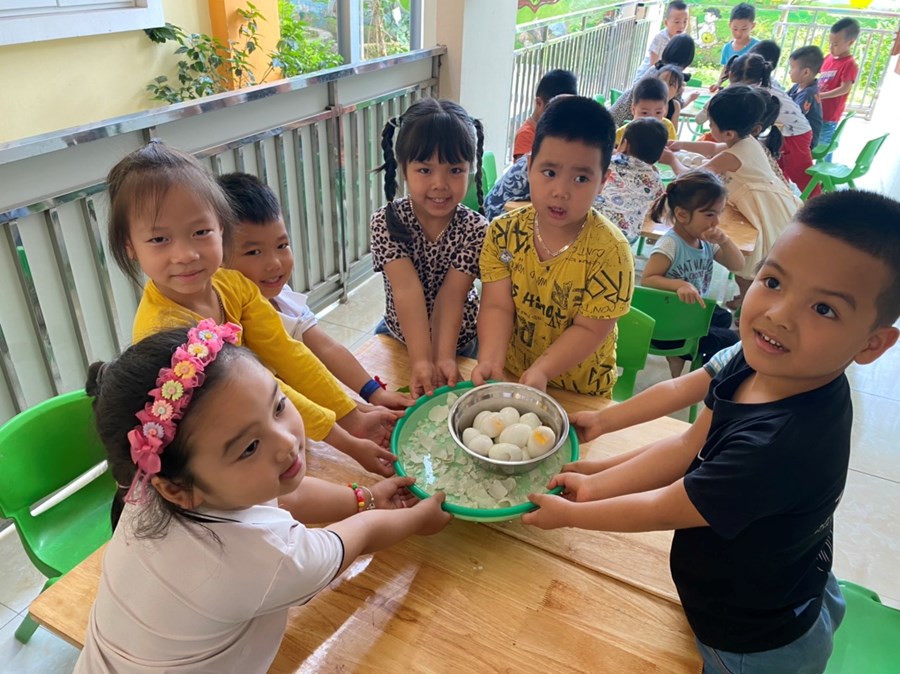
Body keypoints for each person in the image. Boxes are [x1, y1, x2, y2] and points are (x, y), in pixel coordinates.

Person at [523, 189, 900, 674]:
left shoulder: (778, 449)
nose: (779, 314)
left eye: (824, 309)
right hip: (788, 575)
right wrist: (595, 479)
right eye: (773, 281)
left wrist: (574, 515)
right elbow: (689, 445)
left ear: (872, 344)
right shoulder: (762, 360)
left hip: (752, 640)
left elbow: (663, 507)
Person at [73, 322, 451, 673]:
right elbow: (358, 536)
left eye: (278, 406)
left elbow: (285, 496)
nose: (286, 442)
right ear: (177, 489)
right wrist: (418, 518)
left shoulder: (152, 487)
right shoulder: (261, 559)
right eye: (250, 447)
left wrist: (367, 497)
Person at [105, 141, 398, 477]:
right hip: (210, 470)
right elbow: (261, 392)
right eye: (160, 239)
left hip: (254, 430)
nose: (186, 254)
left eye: (200, 232)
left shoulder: (231, 284)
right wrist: (349, 442)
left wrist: (351, 416)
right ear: (130, 245)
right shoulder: (167, 333)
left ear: (221, 227)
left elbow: (287, 354)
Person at [472, 96, 634, 397]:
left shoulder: (611, 252)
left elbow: (590, 329)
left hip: (581, 392)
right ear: (529, 166)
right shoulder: (503, 232)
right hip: (513, 376)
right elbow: (497, 305)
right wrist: (490, 360)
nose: (561, 191)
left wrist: (543, 370)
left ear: (603, 181)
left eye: (581, 178)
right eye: (549, 173)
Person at [218, 172, 413, 411]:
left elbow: (326, 348)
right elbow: (284, 398)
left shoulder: (283, 298)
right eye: (254, 252)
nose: (275, 263)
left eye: (282, 245)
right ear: (216, 257)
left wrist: (375, 395)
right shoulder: (231, 329)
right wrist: (360, 412)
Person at [371, 98, 488, 398]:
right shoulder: (387, 222)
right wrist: (421, 360)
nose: (440, 184)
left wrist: (444, 357)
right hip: (400, 337)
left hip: (460, 342)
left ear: (470, 169)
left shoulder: (476, 228)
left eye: (455, 170)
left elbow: (453, 295)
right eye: (425, 170)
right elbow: (407, 290)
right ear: (403, 169)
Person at [667, 86, 803, 309]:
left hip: (763, 211)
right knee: (749, 265)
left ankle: (749, 304)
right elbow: (713, 147)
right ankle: (746, 298)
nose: (709, 127)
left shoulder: (733, 156)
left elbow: (693, 178)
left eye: (711, 124)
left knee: (748, 266)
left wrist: (672, 160)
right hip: (767, 203)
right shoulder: (745, 141)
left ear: (729, 133)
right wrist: (681, 144)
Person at [641, 170, 743, 376]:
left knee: (723, 318)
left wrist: (725, 241)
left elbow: (737, 264)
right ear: (682, 215)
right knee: (731, 339)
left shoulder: (704, 241)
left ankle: (683, 358)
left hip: (689, 312)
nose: (716, 222)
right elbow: (648, 279)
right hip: (668, 323)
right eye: (710, 215)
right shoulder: (670, 244)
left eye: (719, 213)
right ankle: (695, 368)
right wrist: (679, 284)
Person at [727, 53, 817, 196]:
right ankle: (783, 195)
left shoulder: (757, 91)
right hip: (786, 131)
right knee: (777, 170)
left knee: (801, 174)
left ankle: (819, 203)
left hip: (796, 134)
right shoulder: (765, 81)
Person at [597, 118, 669, 243]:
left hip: (587, 220)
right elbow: (660, 209)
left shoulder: (607, 162)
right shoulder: (654, 180)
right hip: (621, 238)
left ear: (625, 144)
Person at [610, 34, 696, 127]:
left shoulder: (656, 69)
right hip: (625, 122)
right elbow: (671, 105)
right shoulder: (669, 76)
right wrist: (690, 98)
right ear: (688, 59)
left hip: (618, 116)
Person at [513, 69, 578, 160]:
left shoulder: (555, 132)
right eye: (555, 110)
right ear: (539, 103)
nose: (560, 117)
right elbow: (525, 168)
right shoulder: (526, 135)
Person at [819, 18, 860, 161]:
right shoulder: (828, 58)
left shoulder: (849, 64)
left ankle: (823, 172)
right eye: (830, 43)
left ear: (850, 42)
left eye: (835, 44)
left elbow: (844, 88)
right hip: (818, 111)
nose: (831, 47)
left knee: (824, 150)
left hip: (829, 115)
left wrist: (821, 96)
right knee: (815, 145)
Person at [633, 1, 690, 83]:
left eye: (685, 21)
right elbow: (654, 65)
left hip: (666, 78)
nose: (681, 26)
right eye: (677, 22)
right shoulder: (660, 38)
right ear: (666, 23)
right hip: (647, 79)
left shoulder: (683, 40)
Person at [614, 77, 679, 145]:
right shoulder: (622, 134)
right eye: (644, 113)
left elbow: (673, 148)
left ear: (665, 109)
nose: (651, 119)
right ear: (633, 109)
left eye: (658, 112)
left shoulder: (667, 127)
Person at [788, 45, 825, 148]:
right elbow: (784, 100)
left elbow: (793, 116)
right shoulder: (797, 86)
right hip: (798, 132)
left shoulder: (808, 94)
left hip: (806, 141)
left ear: (806, 72)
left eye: (792, 68)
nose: (790, 72)